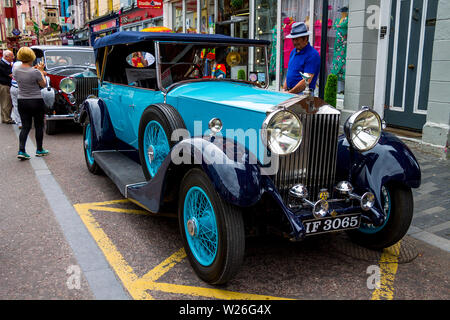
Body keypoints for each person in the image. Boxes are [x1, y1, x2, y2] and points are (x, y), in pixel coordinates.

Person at [13, 47, 49, 160]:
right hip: (36, 100)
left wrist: (36, 70)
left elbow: (25, 72)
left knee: (25, 126)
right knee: (39, 126)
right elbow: (43, 84)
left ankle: (21, 150)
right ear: (32, 57)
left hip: (22, 100)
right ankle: (39, 149)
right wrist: (41, 72)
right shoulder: (36, 72)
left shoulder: (16, 71)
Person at [283, 22, 321, 95]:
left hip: (303, 95)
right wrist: (284, 89)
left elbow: (306, 81)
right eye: (293, 39)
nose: (294, 42)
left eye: (297, 39)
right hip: (290, 93)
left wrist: (289, 93)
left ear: (305, 38)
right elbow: (289, 73)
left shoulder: (312, 55)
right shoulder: (293, 52)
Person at [0, 50, 15, 124]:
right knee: (7, 102)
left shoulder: (5, 63)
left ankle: (4, 117)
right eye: (11, 56)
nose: (13, 57)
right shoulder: (2, 64)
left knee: (4, 102)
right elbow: (10, 74)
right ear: (6, 57)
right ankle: (7, 119)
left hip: (4, 84)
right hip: (4, 85)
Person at [10, 61, 22, 128]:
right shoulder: (22, 67)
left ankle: (19, 122)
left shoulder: (14, 66)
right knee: (24, 105)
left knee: (16, 105)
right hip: (22, 89)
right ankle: (24, 121)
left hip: (14, 87)